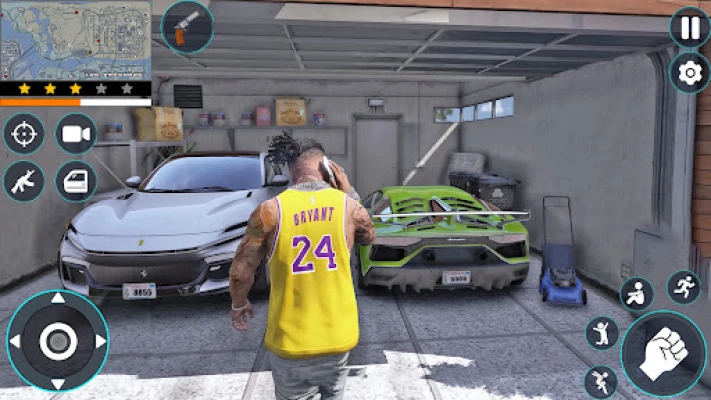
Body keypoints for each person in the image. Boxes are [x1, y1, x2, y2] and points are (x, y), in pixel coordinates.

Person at [228, 132, 376, 400]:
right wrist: (349, 192)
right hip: (339, 338)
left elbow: (241, 271)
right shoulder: (349, 207)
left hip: (290, 342)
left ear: (290, 168)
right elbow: (369, 237)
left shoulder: (269, 211)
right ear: (327, 167)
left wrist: (239, 304)